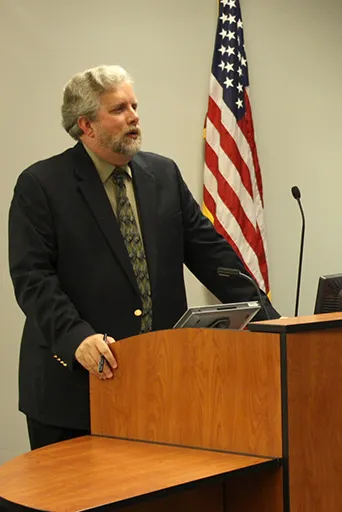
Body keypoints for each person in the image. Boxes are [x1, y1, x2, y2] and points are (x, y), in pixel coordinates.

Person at [8, 65, 280, 451]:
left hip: (160, 383)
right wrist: (76, 337)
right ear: (86, 125)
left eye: (134, 105)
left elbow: (212, 254)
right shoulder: (41, 185)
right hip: (74, 391)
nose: (134, 116)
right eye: (119, 109)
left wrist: (270, 318)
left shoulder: (163, 174)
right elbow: (33, 279)